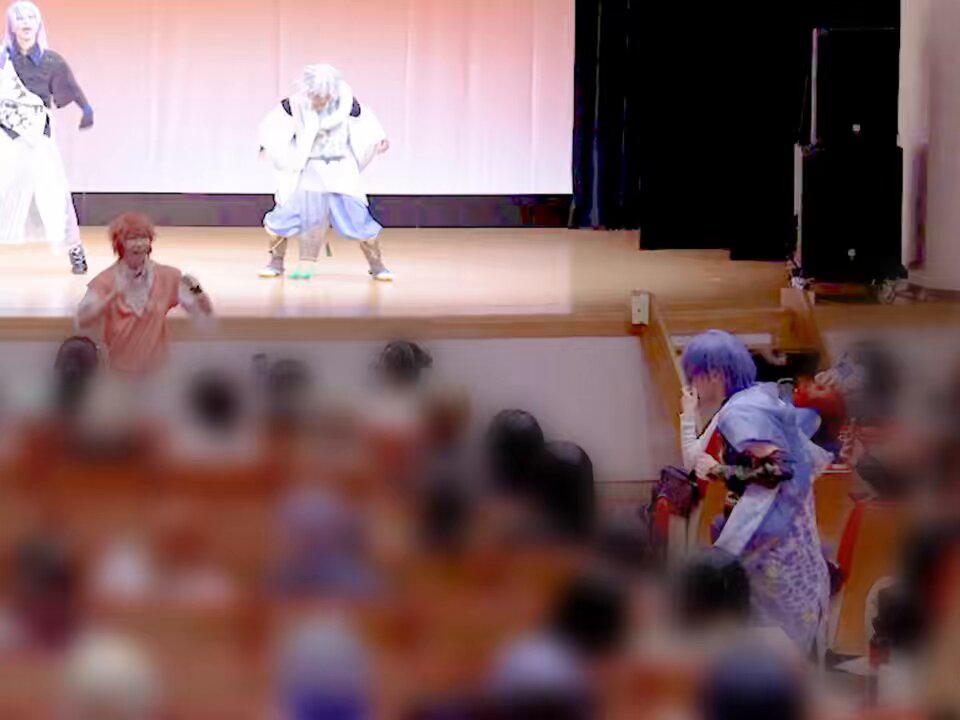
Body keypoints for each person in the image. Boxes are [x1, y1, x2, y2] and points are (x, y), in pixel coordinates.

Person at [680, 330, 832, 654]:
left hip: (770, 536)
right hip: (793, 523)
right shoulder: (759, 395)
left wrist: (718, 470)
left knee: (762, 631)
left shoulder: (738, 413)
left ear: (714, 374)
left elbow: (778, 469)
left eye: (695, 374)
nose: (692, 383)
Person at [258, 63, 392, 281]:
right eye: (315, 95)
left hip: (340, 170)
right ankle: (275, 262)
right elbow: (272, 127)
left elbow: (367, 123)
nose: (319, 100)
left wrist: (379, 138)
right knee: (283, 218)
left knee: (359, 219)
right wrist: (269, 145)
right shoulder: (294, 105)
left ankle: (377, 266)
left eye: (323, 95)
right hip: (307, 169)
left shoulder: (348, 105)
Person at [0, 1, 94, 273]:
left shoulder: (51, 61)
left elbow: (71, 87)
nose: (26, 23)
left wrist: (86, 109)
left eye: (31, 18)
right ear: (12, 25)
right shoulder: (3, 60)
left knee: (54, 193)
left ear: (38, 23)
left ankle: (74, 249)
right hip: (7, 134)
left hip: (39, 135)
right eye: (20, 18)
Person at [76, 213, 213, 375]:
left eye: (144, 238)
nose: (139, 244)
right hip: (118, 374)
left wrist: (198, 291)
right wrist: (110, 298)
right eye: (132, 238)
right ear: (119, 243)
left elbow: (204, 311)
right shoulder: (105, 281)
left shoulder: (168, 276)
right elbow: (82, 320)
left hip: (158, 375)